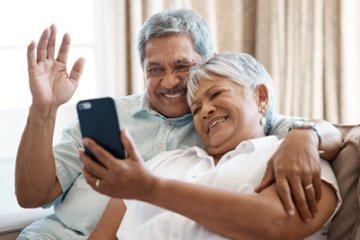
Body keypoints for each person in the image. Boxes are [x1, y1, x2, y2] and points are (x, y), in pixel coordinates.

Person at [15, 8, 341, 239]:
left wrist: (306, 135)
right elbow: (32, 195)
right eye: (155, 69)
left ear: (208, 61)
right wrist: (43, 108)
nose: (170, 81)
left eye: (182, 66)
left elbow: (324, 134)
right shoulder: (117, 120)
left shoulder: (243, 132)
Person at [82, 52, 341, 239]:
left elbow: (275, 225)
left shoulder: (292, 155)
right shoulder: (160, 164)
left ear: (260, 97)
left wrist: (151, 189)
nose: (205, 110)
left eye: (216, 95)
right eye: (195, 109)